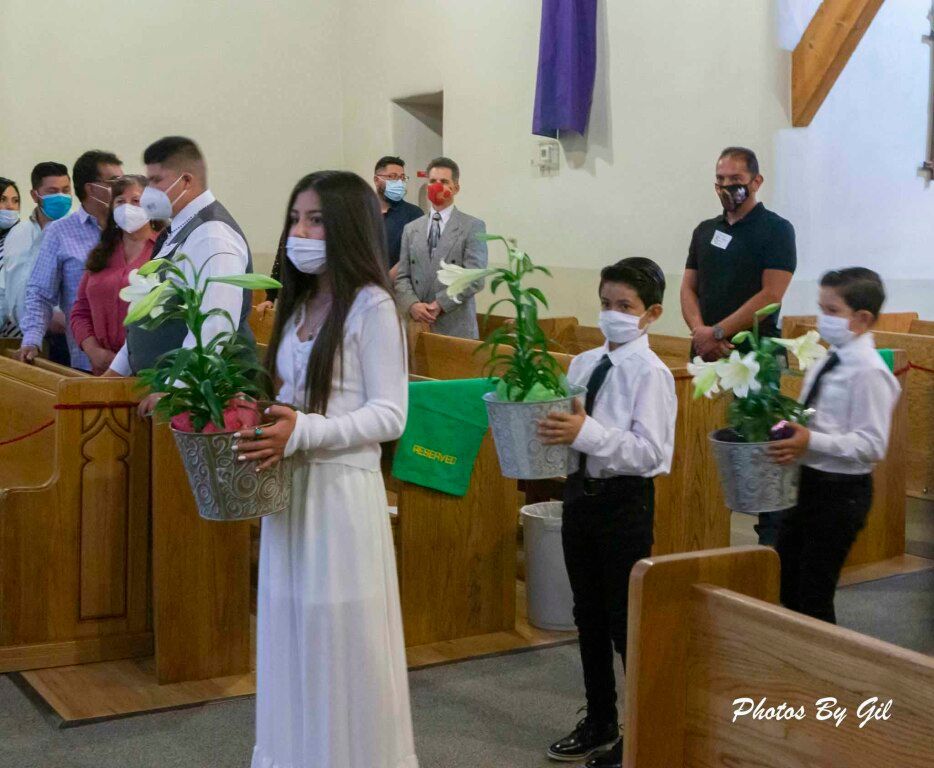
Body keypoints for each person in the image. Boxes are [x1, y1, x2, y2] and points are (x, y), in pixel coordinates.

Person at [233, 171, 418, 768]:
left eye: (315, 220)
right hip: (292, 491)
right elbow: (287, 392)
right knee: (291, 633)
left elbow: (390, 414)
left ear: (346, 227)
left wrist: (306, 431)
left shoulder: (373, 307)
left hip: (341, 494)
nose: (301, 232)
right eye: (295, 219)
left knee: (340, 642)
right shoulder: (297, 304)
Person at [538, 258, 676, 768]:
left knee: (624, 621)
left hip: (624, 504)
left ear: (651, 314)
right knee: (587, 615)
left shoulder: (652, 373)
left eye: (625, 307)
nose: (612, 314)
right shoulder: (583, 363)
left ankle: (636, 735)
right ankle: (599, 718)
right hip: (581, 498)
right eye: (605, 304)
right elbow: (568, 428)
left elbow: (651, 454)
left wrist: (586, 435)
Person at [680, 146, 796, 546]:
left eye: (736, 182)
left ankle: (771, 549)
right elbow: (688, 286)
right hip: (706, 354)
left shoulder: (776, 230)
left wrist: (717, 332)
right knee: (699, 445)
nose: (728, 188)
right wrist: (700, 332)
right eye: (721, 181)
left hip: (754, 357)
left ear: (756, 182)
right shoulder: (705, 230)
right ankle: (702, 538)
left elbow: (771, 294)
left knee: (760, 451)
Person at [769, 268, 899, 625]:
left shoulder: (869, 372)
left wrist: (811, 439)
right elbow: (814, 409)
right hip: (809, 483)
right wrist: (786, 424)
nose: (821, 319)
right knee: (787, 582)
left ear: (862, 318)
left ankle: (821, 678)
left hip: (842, 494)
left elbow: (871, 444)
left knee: (813, 594)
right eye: (820, 308)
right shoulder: (830, 358)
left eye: (832, 311)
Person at [107, 136, 255, 415]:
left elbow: (215, 323)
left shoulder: (213, 234)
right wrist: (116, 371)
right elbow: (151, 312)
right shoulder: (178, 231)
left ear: (186, 181)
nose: (149, 190)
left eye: (156, 180)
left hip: (202, 402)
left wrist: (177, 388)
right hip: (166, 392)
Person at [19, 151, 123, 370]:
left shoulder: (132, 228)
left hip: (136, 362)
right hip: (86, 361)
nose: (122, 188)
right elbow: (40, 293)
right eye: (114, 182)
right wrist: (32, 339)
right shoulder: (60, 232)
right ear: (91, 188)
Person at [70, 175, 160, 375]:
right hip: (101, 369)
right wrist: (93, 350)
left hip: (147, 371)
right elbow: (81, 309)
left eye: (136, 201)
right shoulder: (102, 253)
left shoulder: (164, 250)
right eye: (120, 202)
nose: (127, 208)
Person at [394, 156, 488, 339]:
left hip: (456, 325)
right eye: (432, 181)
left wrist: (440, 304)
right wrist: (412, 305)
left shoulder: (472, 226)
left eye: (444, 182)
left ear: (455, 188)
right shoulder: (411, 229)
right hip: (418, 325)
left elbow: (475, 278)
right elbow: (402, 276)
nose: (437, 186)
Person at [1, 162, 74, 348]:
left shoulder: (77, 233)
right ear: (35, 195)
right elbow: (5, 288)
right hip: (22, 337)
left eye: (66, 190)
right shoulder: (17, 234)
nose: (61, 197)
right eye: (52, 191)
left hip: (65, 337)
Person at [374, 155, 423, 280]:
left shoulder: (414, 214)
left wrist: (385, 282)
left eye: (402, 178)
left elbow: (414, 255)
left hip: (399, 288)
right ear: (376, 180)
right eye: (392, 177)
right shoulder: (362, 212)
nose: (399, 182)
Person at [0, 178, 22, 337]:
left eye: (15, 201)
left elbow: (4, 297)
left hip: (14, 340)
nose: (10, 207)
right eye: (3, 200)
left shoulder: (20, 240)